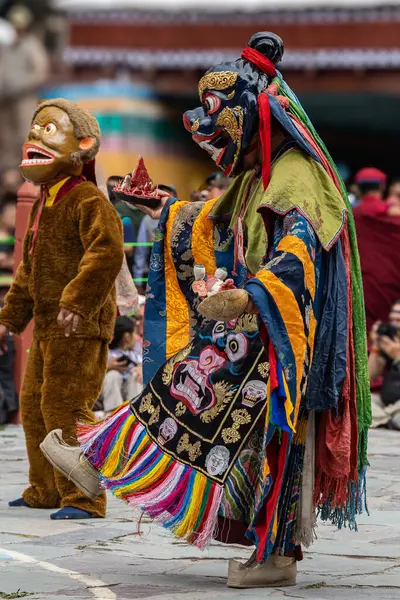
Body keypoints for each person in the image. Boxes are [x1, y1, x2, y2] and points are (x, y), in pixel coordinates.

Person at [41, 32, 370, 588]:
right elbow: (209, 218)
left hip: (283, 336)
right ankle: (106, 465)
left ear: (249, 117)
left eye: (218, 119)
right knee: (200, 400)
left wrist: (247, 295)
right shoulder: (256, 176)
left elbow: (297, 253)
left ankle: (274, 552)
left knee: (253, 429)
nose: (206, 132)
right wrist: (163, 207)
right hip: (254, 333)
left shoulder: (297, 177)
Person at [0, 98, 125, 519]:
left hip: (80, 325)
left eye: (48, 129)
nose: (35, 135)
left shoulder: (89, 199)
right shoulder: (42, 203)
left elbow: (105, 254)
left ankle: (85, 497)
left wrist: (77, 300)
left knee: (65, 407)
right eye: (35, 128)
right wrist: (8, 320)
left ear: (82, 145)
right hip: (50, 328)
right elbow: (28, 271)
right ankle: (45, 488)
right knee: (33, 405)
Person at [0, 4, 49, 172]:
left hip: (24, 99)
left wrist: (19, 86)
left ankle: (27, 172)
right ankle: (9, 175)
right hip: (7, 99)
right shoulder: (10, 47)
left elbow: (40, 72)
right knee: (7, 138)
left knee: (24, 135)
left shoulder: (31, 46)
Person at [353, 168, 400, 333]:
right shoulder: (391, 215)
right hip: (389, 286)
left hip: (359, 285)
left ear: (357, 188)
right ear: (382, 187)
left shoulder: (351, 215)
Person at [96, 316, 143, 419]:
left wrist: (141, 367)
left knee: (135, 375)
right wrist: (106, 366)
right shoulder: (104, 351)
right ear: (127, 336)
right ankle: (112, 416)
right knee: (113, 375)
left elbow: (145, 362)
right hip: (110, 393)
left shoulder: (136, 349)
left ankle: (135, 414)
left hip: (129, 390)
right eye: (134, 333)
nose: (136, 337)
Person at [133, 184, 177, 291]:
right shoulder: (148, 220)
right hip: (155, 271)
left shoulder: (181, 217)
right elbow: (141, 250)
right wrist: (138, 280)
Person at [369, 301, 400, 430]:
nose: (394, 325)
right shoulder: (389, 342)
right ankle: (388, 419)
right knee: (359, 402)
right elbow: (369, 378)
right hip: (386, 402)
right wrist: (376, 347)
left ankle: (382, 419)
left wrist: (397, 356)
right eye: (391, 320)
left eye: (398, 321)